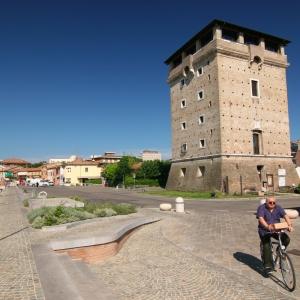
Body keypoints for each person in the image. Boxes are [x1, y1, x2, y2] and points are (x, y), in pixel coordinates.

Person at [257, 196, 293, 273]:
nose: (272, 204)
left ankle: (279, 250)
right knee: (266, 245)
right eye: (270, 202)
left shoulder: (278, 207)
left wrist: (289, 225)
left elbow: (285, 216)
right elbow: (261, 218)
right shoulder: (261, 208)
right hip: (264, 230)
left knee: (286, 239)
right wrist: (267, 226)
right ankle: (268, 266)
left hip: (276, 229)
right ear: (266, 202)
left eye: (274, 202)